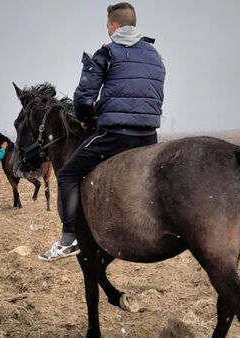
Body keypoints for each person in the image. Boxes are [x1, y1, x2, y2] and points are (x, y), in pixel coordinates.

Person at [38, 2, 165, 261]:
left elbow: (83, 98)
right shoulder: (154, 54)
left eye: (107, 25)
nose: (107, 29)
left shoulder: (106, 53)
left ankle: (68, 239)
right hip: (149, 135)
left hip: (116, 135)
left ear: (114, 26)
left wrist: (86, 119)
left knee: (68, 174)